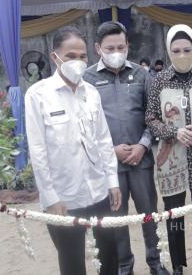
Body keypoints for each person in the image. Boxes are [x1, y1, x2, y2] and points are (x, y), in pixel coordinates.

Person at [25, 26, 121, 275]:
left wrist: (112, 182)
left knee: (108, 254)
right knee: (71, 261)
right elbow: (38, 151)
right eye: (70, 56)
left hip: (98, 190)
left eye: (82, 56)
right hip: (64, 198)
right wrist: (50, 198)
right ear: (55, 57)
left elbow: (103, 139)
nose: (77, 62)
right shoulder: (38, 95)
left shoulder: (91, 93)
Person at [83, 22, 168, 275]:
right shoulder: (87, 79)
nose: (116, 51)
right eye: (110, 48)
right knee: (116, 221)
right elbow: (85, 126)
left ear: (128, 45)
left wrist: (142, 146)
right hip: (109, 168)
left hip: (141, 162)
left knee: (149, 215)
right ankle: (124, 266)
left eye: (121, 46)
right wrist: (110, 150)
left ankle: (156, 262)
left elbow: (153, 117)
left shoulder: (143, 76)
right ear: (98, 48)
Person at [146, 24, 192, 275]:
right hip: (171, 159)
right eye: (176, 50)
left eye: (187, 49)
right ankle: (177, 264)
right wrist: (173, 132)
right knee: (174, 214)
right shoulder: (159, 82)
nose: (182, 54)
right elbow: (151, 118)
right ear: (168, 51)